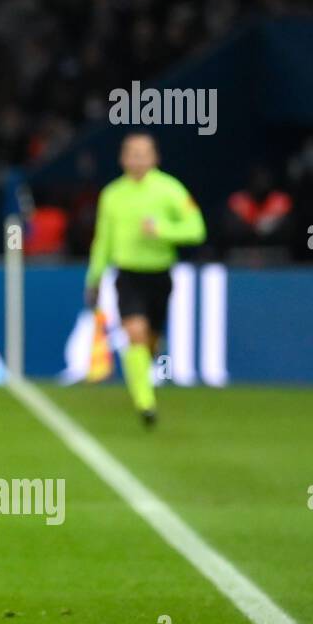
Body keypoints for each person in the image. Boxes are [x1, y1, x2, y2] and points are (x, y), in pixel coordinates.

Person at [85, 132, 206, 426]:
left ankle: (143, 377)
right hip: (128, 275)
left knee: (150, 341)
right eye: (132, 153)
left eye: (143, 154)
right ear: (122, 158)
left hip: (160, 274)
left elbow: (196, 229)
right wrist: (95, 277)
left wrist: (162, 229)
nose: (137, 159)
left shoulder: (170, 190)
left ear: (155, 158)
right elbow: (103, 240)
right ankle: (145, 403)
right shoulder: (112, 194)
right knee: (134, 332)